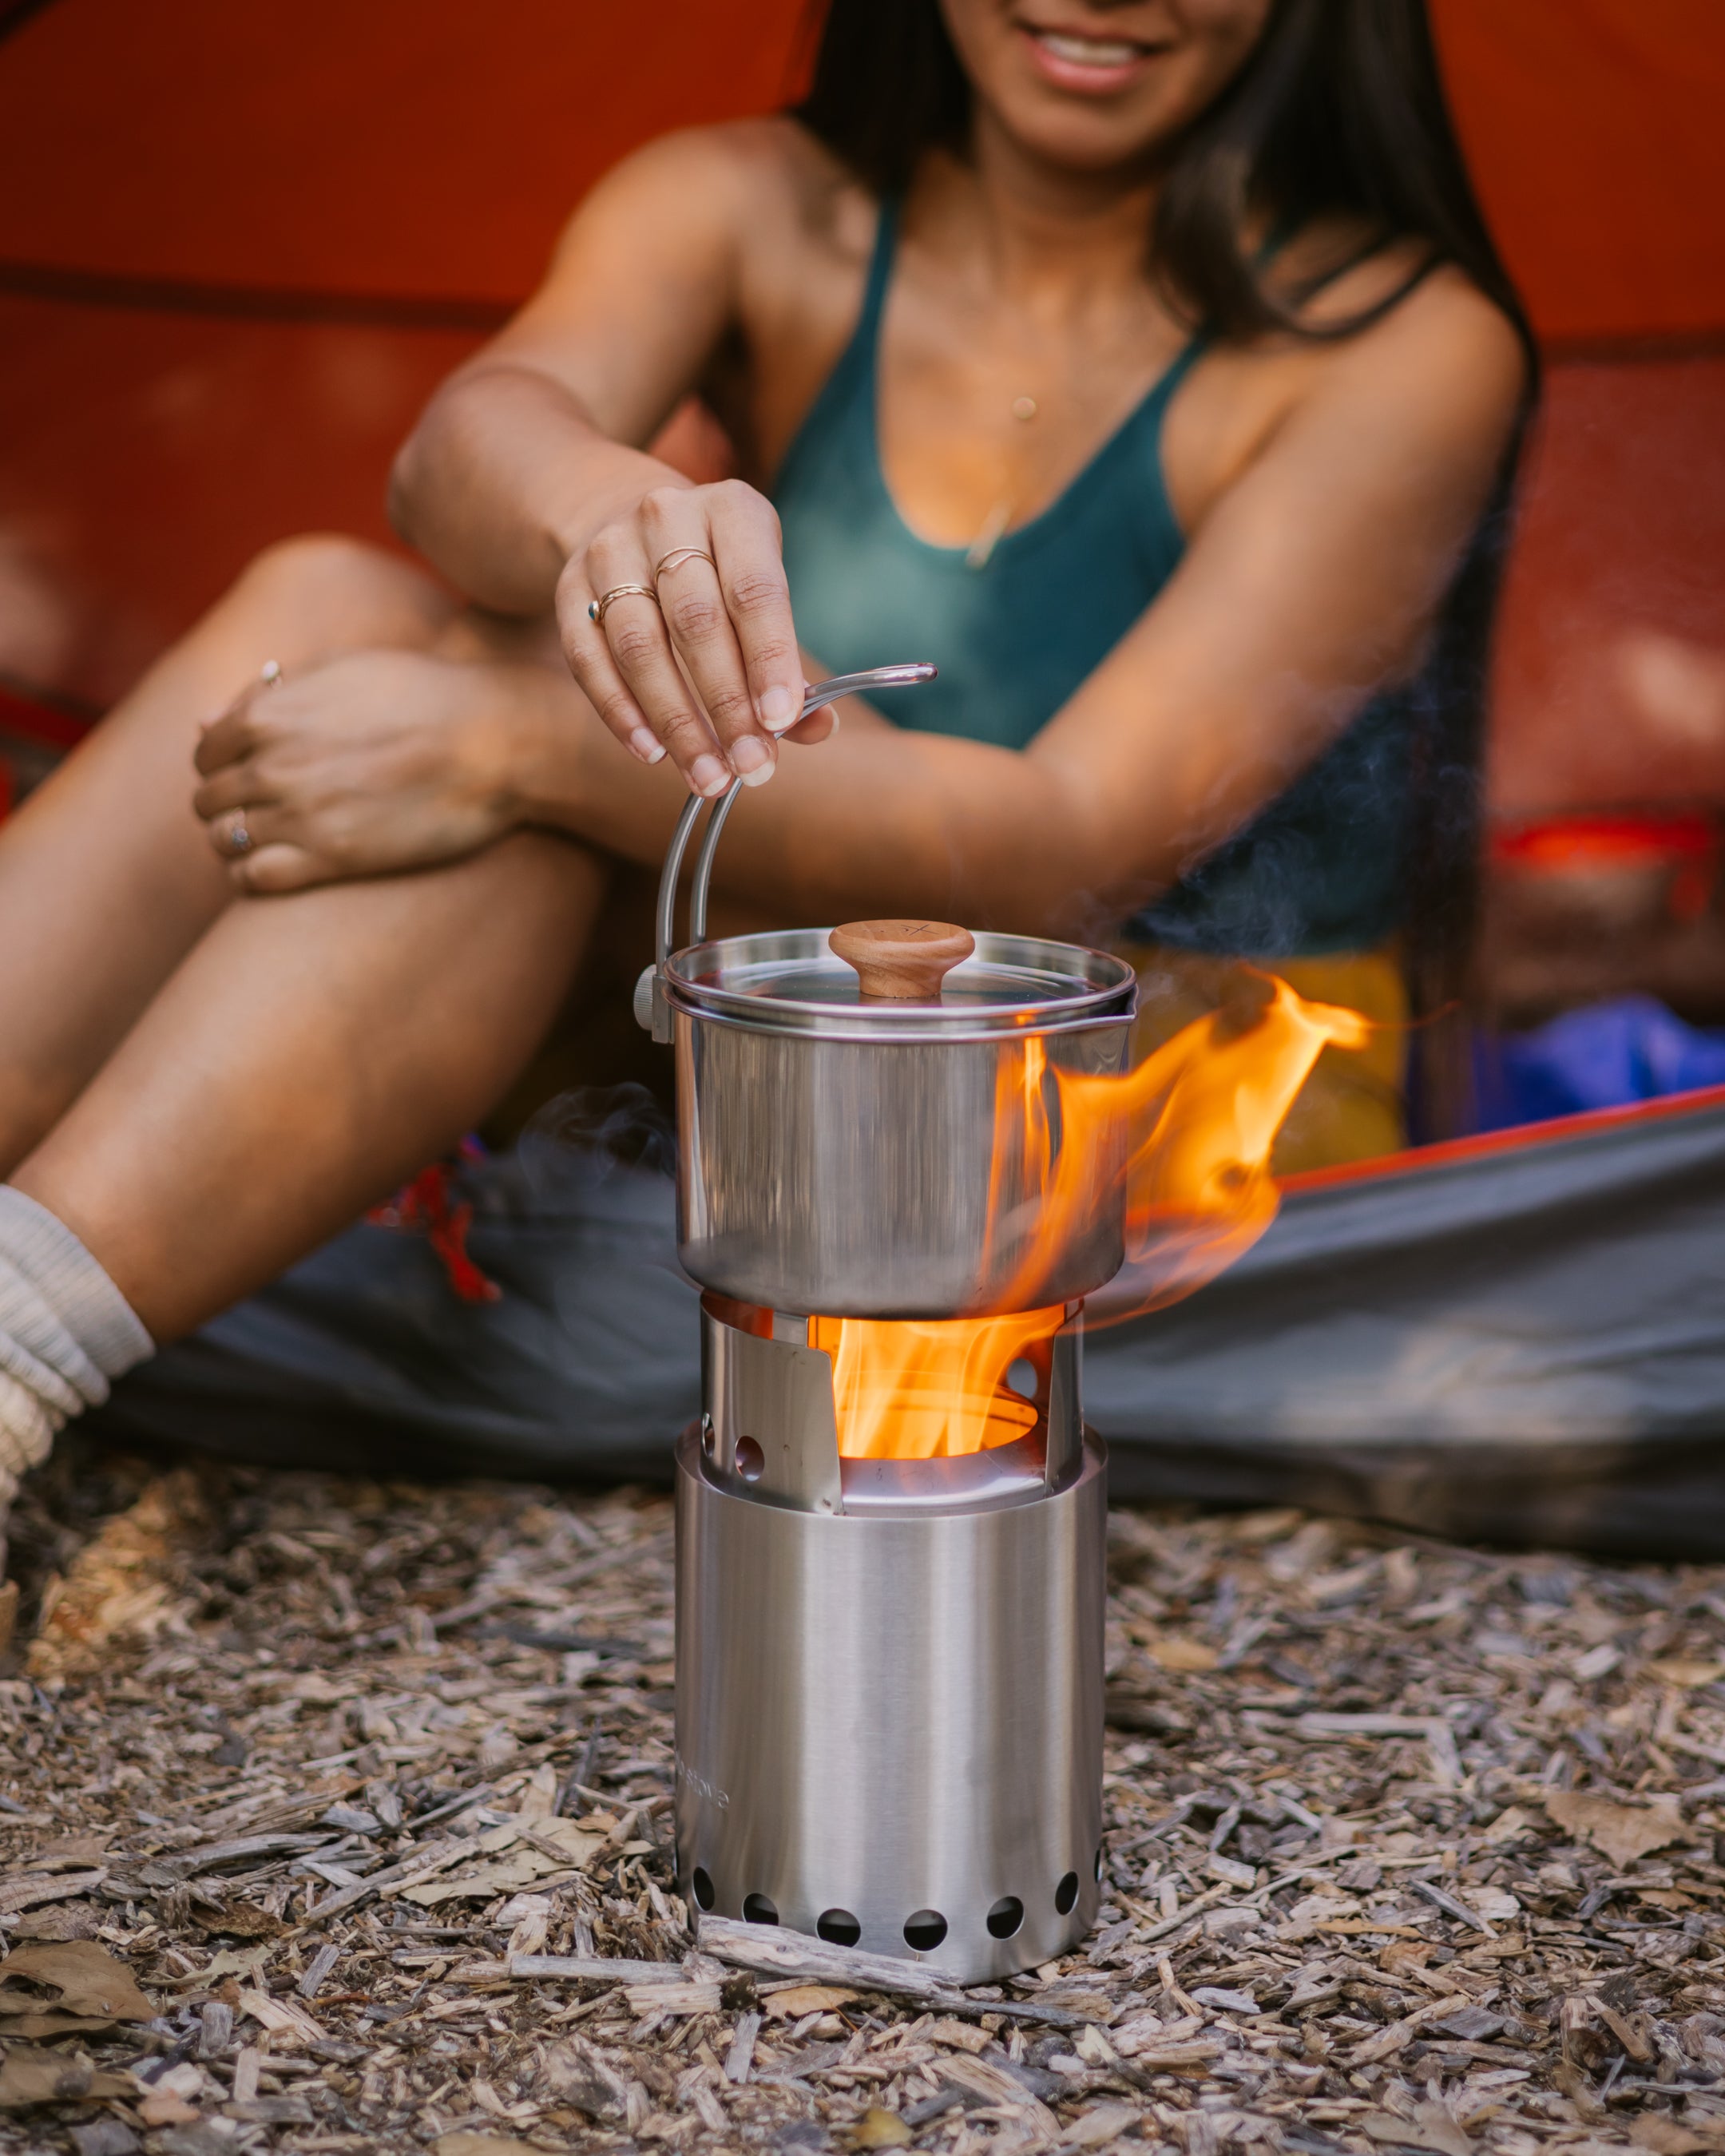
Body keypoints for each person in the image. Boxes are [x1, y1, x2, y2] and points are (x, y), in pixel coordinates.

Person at [0, 0, 1532, 1554]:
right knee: (329, 602)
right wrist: (601, 507)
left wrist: (506, 739)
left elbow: (1051, 854)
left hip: (1101, 1116)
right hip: (767, 1028)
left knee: (527, 745)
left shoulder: (1401, 344)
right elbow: (449, 464)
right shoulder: (756, 205)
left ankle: (15, 1345)